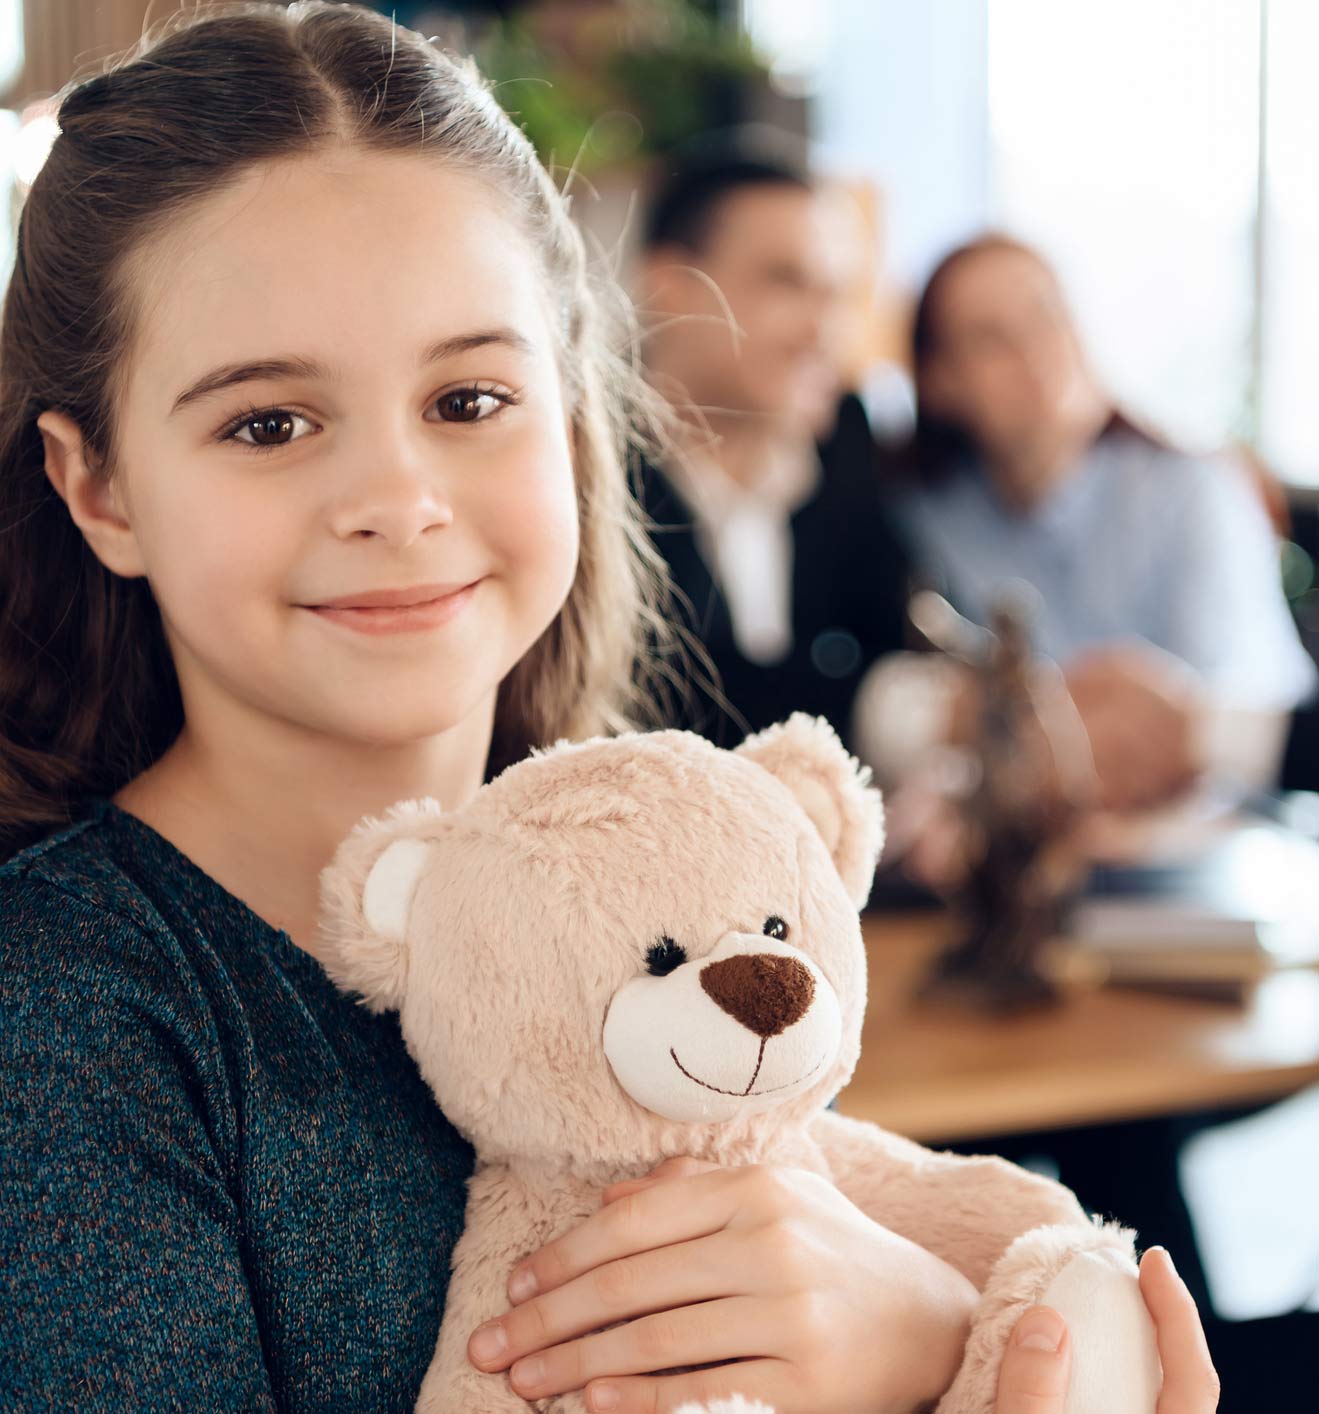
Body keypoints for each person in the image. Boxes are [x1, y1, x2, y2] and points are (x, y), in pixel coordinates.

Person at [0, 7, 1212, 1412]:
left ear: (570, 417)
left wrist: (943, 1340)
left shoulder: (675, 893)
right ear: (99, 488)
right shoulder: (65, 1016)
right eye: (267, 423)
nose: (399, 499)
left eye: (469, 398)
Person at [879, 234, 1316, 811]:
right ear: (939, 380)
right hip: (1038, 826)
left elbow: (1239, 714)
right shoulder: (925, 514)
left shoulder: (1194, 491)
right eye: (991, 339)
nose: (1034, 352)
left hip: (1236, 820)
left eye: (1046, 315)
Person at [636, 135, 912, 750]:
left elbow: (897, 635)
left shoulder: (849, 443)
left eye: (838, 295)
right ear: (668, 287)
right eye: (787, 282)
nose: (824, 329)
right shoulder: (580, 469)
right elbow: (658, 705)